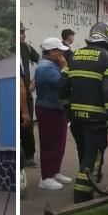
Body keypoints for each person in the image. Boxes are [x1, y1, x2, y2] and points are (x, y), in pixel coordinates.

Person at [62, 22, 108, 203]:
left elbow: (62, 84)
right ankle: (82, 197)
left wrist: (67, 107)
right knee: (92, 156)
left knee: (84, 152)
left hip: (76, 118)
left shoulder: (74, 55)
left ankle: (89, 182)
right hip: (96, 119)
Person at [34, 37, 72, 190]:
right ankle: (46, 177)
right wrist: (64, 67)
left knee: (59, 143)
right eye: (60, 51)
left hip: (57, 108)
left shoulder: (52, 65)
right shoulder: (45, 67)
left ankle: (55, 172)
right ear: (51, 51)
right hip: (48, 109)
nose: (62, 54)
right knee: (49, 144)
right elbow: (62, 84)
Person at [20, 24, 38, 168]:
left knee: (27, 128)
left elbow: (43, 61)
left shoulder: (27, 49)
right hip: (19, 97)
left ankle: (29, 156)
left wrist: (34, 81)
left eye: (24, 32)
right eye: (21, 32)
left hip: (26, 97)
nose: (24, 35)